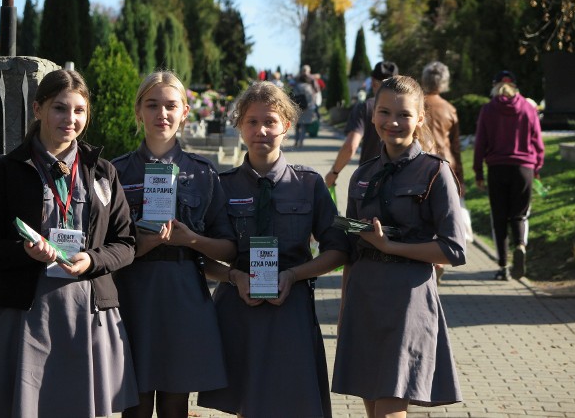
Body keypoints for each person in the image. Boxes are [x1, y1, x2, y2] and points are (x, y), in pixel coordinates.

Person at [0, 69, 139, 418]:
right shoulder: (6, 172)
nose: (70, 119)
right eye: (60, 108)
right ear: (38, 109)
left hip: (89, 315)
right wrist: (24, 251)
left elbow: (126, 243)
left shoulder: (103, 172)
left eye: (79, 110)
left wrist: (91, 260)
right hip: (26, 317)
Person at [197, 81, 349, 417]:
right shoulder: (221, 186)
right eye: (252, 121)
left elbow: (337, 250)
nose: (261, 130)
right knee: (246, 403)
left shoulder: (309, 185)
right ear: (239, 126)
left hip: (290, 307)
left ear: (287, 127)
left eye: (271, 122)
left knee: (288, 402)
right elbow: (201, 258)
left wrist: (293, 275)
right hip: (238, 307)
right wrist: (233, 276)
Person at [332, 75, 466, 417]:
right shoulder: (362, 175)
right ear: (373, 115)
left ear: (420, 118)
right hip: (364, 298)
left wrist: (392, 247)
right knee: (373, 407)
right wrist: (345, 307)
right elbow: (352, 248)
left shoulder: (436, 172)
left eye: (404, 114)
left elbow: (453, 249)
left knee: (390, 408)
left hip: (407, 299)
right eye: (384, 112)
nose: (393, 122)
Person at [111, 70, 237, 418]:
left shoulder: (203, 173)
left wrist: (190, 239)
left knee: (174, 402)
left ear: (185, 112)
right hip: (133, 295)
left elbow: (228, 247)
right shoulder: (116, 173)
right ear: (139, 111)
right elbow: (104, 247)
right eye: (152, 105)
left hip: (183, 294)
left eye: (170, 105)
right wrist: (144, 245)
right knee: (134, 403)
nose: (161, 114)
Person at [473, 70, 544, 281]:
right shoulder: (528, 109)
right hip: (524, 168)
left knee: (499, 218)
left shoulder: (488, 109)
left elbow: (480, 144)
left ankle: (503, 266)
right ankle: (520, 245)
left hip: (497, 168)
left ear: (494, 86)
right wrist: (537, 167)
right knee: (519, 214)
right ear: (516, 86)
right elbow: (537, 141)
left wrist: (478, 172)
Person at [421, 61, 465, 284]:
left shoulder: (417, 105)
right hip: (447, 166)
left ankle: (430, 260)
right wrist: (462, 178)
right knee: (443, 215)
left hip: (421, 164)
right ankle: (439, 259)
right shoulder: (450, 109)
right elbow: (456, 145)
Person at [325, 61, 399, 188]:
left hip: (369, 181)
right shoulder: (408, 110)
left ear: (374, 82)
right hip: (401, 181)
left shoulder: (365, 107)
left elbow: (351, 146)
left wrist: (334, 172)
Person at [292, 70, 318, 148]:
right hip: (307, 108)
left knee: (297, 126)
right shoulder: (309, 87)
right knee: (303, 126)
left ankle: (296, 141)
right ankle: (301, 142)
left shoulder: (296, 86)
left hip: (297, 108)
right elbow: (312, 98)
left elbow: (293, 97)